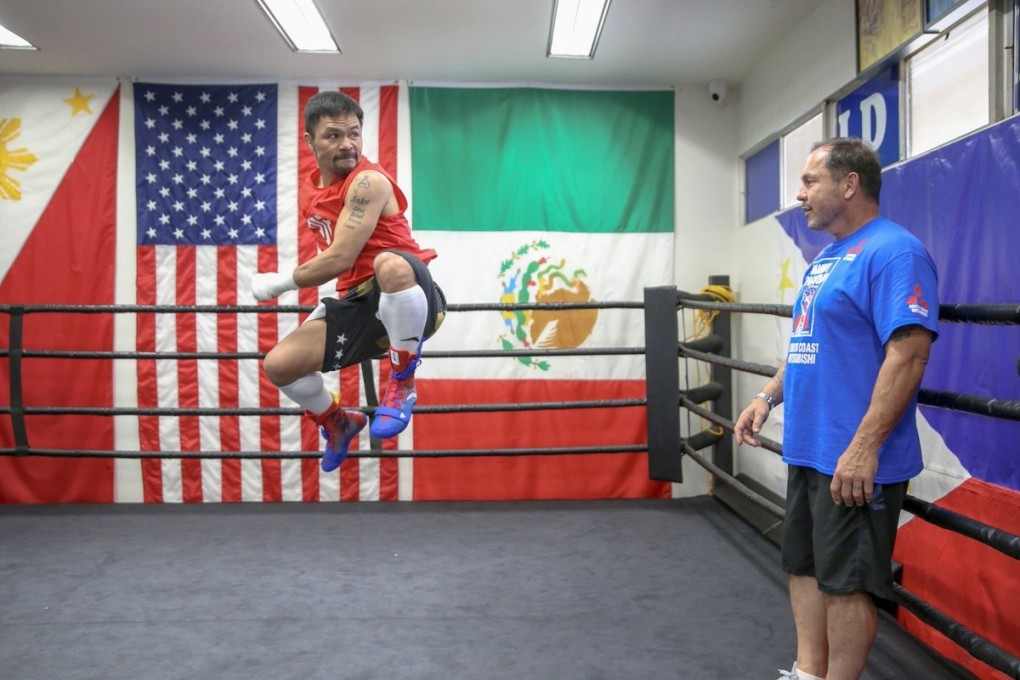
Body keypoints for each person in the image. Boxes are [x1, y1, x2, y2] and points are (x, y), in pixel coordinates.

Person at [733, 138, 939, 680]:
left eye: (810, 182)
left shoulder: (895, 252)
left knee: (847, 584)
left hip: (854, 456)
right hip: (810, 444)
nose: (799, 195)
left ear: (849, 184)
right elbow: (806, 343)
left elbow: (910, 353)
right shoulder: (826, 258)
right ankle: (807, 672)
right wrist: (765, 397)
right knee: (802, 566)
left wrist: (865, 447)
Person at [251, 91, 445, 472]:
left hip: (412, 294)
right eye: (334, 136)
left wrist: (278, 284)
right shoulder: (313, 189)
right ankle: (338, 422)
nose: (347, 144)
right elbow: (339, 264)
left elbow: (340, 257)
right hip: (360, 304)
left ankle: (403, 380)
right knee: (279, 365)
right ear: (310, 141)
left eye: (354, 134)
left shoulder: (367, 182)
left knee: (388, 264)